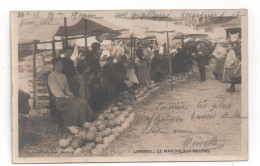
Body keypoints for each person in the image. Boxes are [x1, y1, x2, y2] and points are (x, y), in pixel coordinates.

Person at [48, 58, 92, 134]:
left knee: (83, 102)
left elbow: (66, 89)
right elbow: (55, 90)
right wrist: (65, 96)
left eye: (61, 64)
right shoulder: (52, 76)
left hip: (65, 96)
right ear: (54, 66)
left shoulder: (63, 76)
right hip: (58, 99)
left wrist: (70, 93)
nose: (59, 65)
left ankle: (84, 122)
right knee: (75, 104)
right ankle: (72, 125)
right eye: (57, 64)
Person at [85, 42, 103, 109]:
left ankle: (98, 104)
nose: (98, 49)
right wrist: (95, 72)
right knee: (93, 89)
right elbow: (89, 65)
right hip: (92, 74)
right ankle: (94, 106)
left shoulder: (96, 54)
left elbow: (97, 63)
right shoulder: (89, 55)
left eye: (98, 48)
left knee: (97, 88)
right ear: (93, 48)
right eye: (97, 48)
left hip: (97, 74)